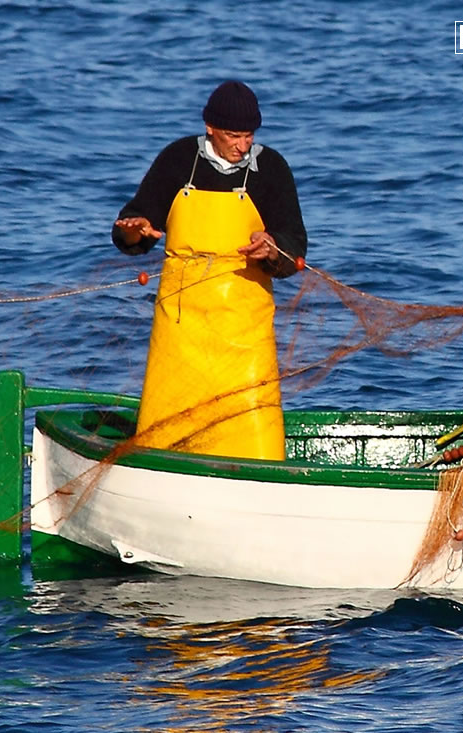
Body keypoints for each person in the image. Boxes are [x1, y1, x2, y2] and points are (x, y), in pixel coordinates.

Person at [112, 80, 307, 460]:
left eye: (249, 136)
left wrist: (271, 249)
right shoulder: (177, 159)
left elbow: (294, 249)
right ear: (210, 128)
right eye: (234, 135)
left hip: (243, 331)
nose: (243, 145)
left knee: (253, 439)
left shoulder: (272, 169)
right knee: (164, 435)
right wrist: (135, 233)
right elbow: (134, 229)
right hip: (180, 329)